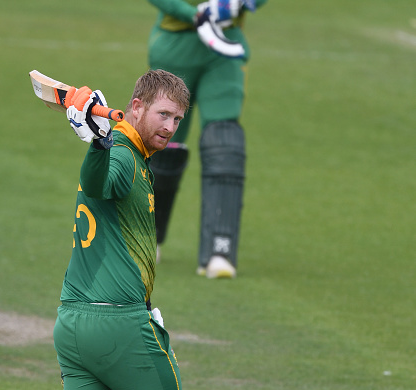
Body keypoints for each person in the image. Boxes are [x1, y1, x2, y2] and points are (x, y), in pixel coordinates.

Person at [53, 69, 190, 390]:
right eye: (164, 114)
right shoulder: (123, 153)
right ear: (137, 106)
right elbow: (99, 184)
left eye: (178, 119)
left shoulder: (131, 154)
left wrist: (102, 143)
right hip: (118, 324)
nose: (170, 127)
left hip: (72, 325)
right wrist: (99, 143)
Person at [147, 0, 268, 278]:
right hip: (174, 44)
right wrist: (195, 14)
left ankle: (220, 249)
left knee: (224, 140)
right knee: (162, 139)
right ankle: (146, 237)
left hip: (224, 46)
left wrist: (238, 4)